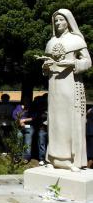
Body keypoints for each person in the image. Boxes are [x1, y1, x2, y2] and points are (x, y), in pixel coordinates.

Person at [42, 9, 91, 171]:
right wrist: (46, 65)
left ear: (68, 22)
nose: (57, 23)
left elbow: (87, 62)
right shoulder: (51, 41)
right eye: (55, 20)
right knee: (55, 121)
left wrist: (72, 64)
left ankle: (72, 159)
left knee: (69, 121)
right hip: (54, 85)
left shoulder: (76, 40)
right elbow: (46, 66)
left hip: (70, 84)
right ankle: (53, 158)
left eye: (61, 20)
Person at [12, 99, 34, 163]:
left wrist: (24, 120)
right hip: (20, 127)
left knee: (28, 142)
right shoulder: (18, 107)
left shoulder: (31, 108)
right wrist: (20, 121)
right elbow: (14, 115)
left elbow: (34, 117)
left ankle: (26, 157)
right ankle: (17, 156)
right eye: (26, 101)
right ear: (23, 102)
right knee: (19, 141)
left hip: (29, 127)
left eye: (28, 101)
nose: (27, 102)